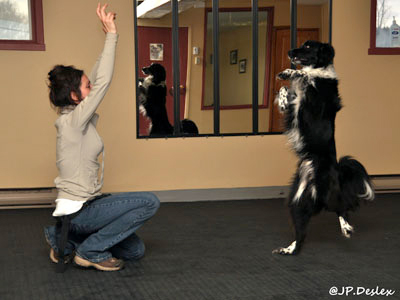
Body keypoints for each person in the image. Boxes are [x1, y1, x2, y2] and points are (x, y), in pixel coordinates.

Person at [44, 3, 160, 272]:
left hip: (87, 207)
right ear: (75, 96)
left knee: (135, 250)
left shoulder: (75, 115)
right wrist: (112, 36)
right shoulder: (72, 122)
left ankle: (63, 237)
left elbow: (97, 76)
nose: (92, 87)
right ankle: (89, 250)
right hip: (80, 211)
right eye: (86, 87)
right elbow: (103, 81)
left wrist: (107, 36)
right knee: (149, 202)